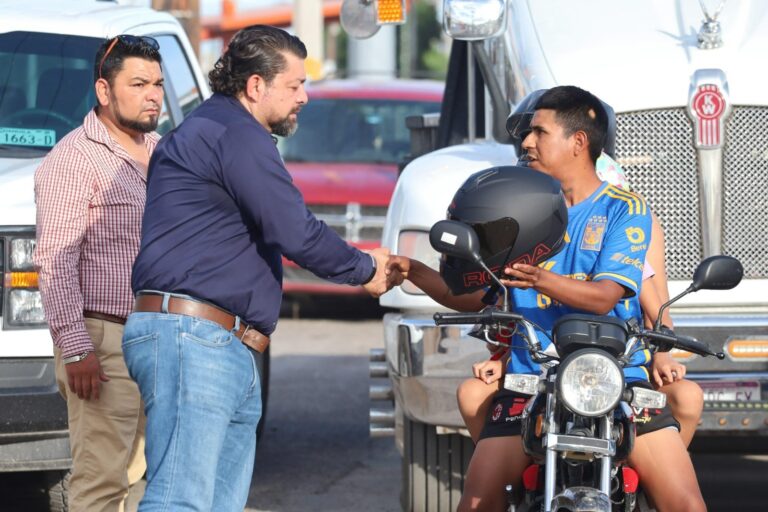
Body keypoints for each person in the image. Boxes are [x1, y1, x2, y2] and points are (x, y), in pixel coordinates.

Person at [387, 86, 705, 512]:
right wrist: (411, 269)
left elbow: (604, 296)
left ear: (579, 142)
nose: (527, 143)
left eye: (539, 132)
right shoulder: (514, 207)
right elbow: (471, 296)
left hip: (618, 386)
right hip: (530, 386)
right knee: (475, 503)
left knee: (686, 504)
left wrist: (539, 280)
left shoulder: (624, 210)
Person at [122, 25, 394, 511]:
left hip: (217, 341)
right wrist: (365, 269)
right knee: (179, 501)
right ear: (255, 86)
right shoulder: (236, 135)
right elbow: (295, 231)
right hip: (194, 337)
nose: (305, 97)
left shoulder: (217, 130)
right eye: (295, 85)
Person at [456, 152, 703, 447]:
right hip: (544, 374)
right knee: (475, 408)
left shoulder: (625, 261)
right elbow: (521, 318)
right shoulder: (533, 250)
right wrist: (503, 358)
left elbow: (657, 316)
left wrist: (662, 354)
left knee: (679, 433)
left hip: (611, 373)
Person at [34, 35, 164, 511]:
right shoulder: (74, 159)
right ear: (104, 91)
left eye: (158, 84)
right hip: (102, 342)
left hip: (155, 337)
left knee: (140, 481)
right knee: (101, 483)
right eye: (139, 83)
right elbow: (55, 260)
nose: (153, 94)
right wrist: (76, 349)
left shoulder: (162, 151)